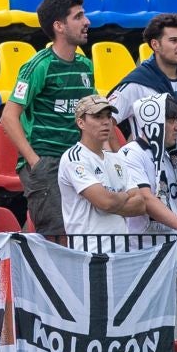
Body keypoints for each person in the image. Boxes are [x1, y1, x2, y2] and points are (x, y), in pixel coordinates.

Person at [1, 0, 95, 242]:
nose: (87, 22)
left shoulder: (85, 66)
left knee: (83, 235)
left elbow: (93, 116)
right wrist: (35, 162)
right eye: (79, 17)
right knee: (57, 238)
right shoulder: (38, 65)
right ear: (59, 26)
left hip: (77, 160)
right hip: (47, 162)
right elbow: (9, 117)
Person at [110, 13, 177, 178]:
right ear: (155, 44)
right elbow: (104, 122)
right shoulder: (136, 83)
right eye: (174, 40)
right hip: (151, 185)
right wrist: (123, 164)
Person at [114, 90, 177, 242]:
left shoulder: (169, 157)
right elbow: (146, 197)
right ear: (153, 121)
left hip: (170, 250)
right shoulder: (131, 153)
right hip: (140, 252)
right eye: (171, 120)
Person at [56, 95, 145, 243]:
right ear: (81, 123)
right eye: (97, 117)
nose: (106, 122)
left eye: (109, 116)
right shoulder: (74, 158)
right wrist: (123, 196)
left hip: (122, 251)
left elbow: (140, 205)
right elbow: (105, 202)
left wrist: (110, 202)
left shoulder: (117, 158)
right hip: (90, 252)